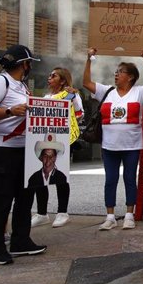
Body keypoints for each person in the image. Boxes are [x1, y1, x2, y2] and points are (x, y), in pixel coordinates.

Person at [0, 45, 47, 265]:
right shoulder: (0, 81)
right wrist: (9, 111)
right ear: (24, 64)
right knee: (1, 200)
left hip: (22, 149)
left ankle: (20, 240)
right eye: (29, 63)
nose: (30, 68)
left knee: (25, 197)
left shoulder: (21, 85)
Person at [83, 47, 143, 231]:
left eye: (120, 72)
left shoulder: (139, 92)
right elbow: (86, 83)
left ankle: (129, 215)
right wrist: (89, 59)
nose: (116, 75)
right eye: (116, 72)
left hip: (131, 145)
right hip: (109, 146)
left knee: (130, 178)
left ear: (130, 77)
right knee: (110, 180)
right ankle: (110, 216)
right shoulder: (107, 92)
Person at [31, 67, 84, 228]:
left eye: (53, 76)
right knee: (40, 176)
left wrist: (73, 97)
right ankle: (41, 213)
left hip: (63, 140)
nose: (49, 78)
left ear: (62, 80)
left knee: (60, 176)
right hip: (45, 139)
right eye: (49, 75)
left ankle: (62, 213)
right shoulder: (46, 97)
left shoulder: (71, 95)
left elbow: (79, 114)